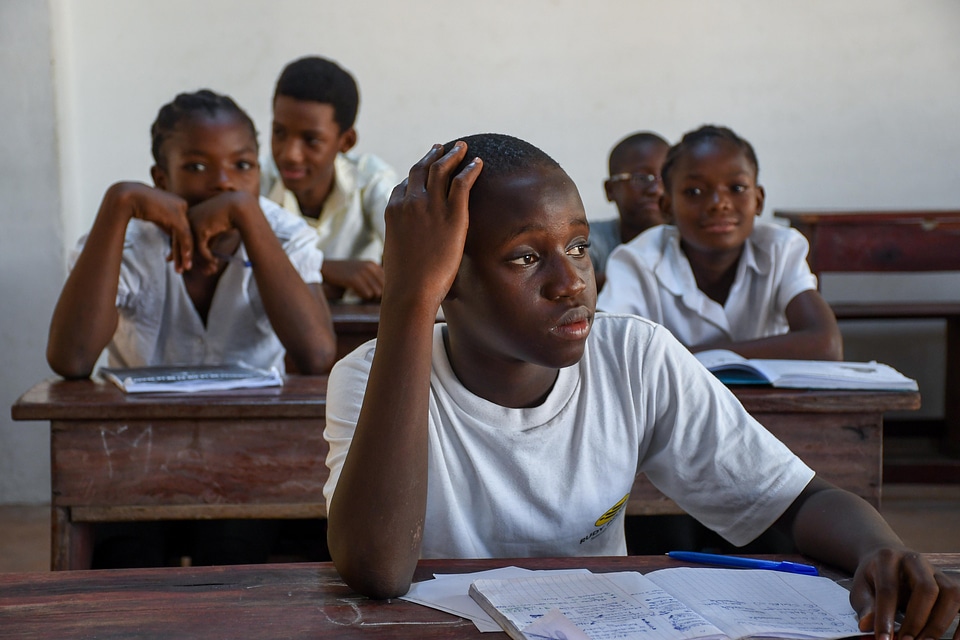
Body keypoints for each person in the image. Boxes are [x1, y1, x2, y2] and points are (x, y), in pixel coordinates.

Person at [322, 133, 959, 640]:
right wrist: (407, 299)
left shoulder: (632, 355)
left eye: (576, 246)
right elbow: (378, 568)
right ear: (444, 279)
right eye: (524, 256)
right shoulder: (371, 376)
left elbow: (795, 501)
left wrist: (881, 549)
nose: (570, 281)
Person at [46, 88, 336, 379]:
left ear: (259, 172)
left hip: (255, 422)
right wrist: (118, 204)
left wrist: (247, 213)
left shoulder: (286, 234)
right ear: (161, 180)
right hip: (140, 422)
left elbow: (317, 357)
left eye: (242, 165)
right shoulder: (127, 243)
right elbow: (72, 360)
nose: (224, 183)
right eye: (197, 167)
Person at [597, 125, 842, 360]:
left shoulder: (779, 248)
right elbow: (607, 347)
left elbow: (826, 345)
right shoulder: (637, 260)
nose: (719, 203)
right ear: (667, 206)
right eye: (694, 191)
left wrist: (692, 355)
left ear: (758, 201)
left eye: (736, 188)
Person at [262, 56, 399, 301]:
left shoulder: (370, 181)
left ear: (346, 142)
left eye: (311, 140)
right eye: (279, 133)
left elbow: (414, 261)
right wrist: (324, 268)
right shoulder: (256, 182)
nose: (290, 154)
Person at [589, 131, 669, 288]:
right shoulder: (589, 239)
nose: (656, 189)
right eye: (641, 178)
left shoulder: (694, 239)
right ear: (610, 189)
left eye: (665, 178)